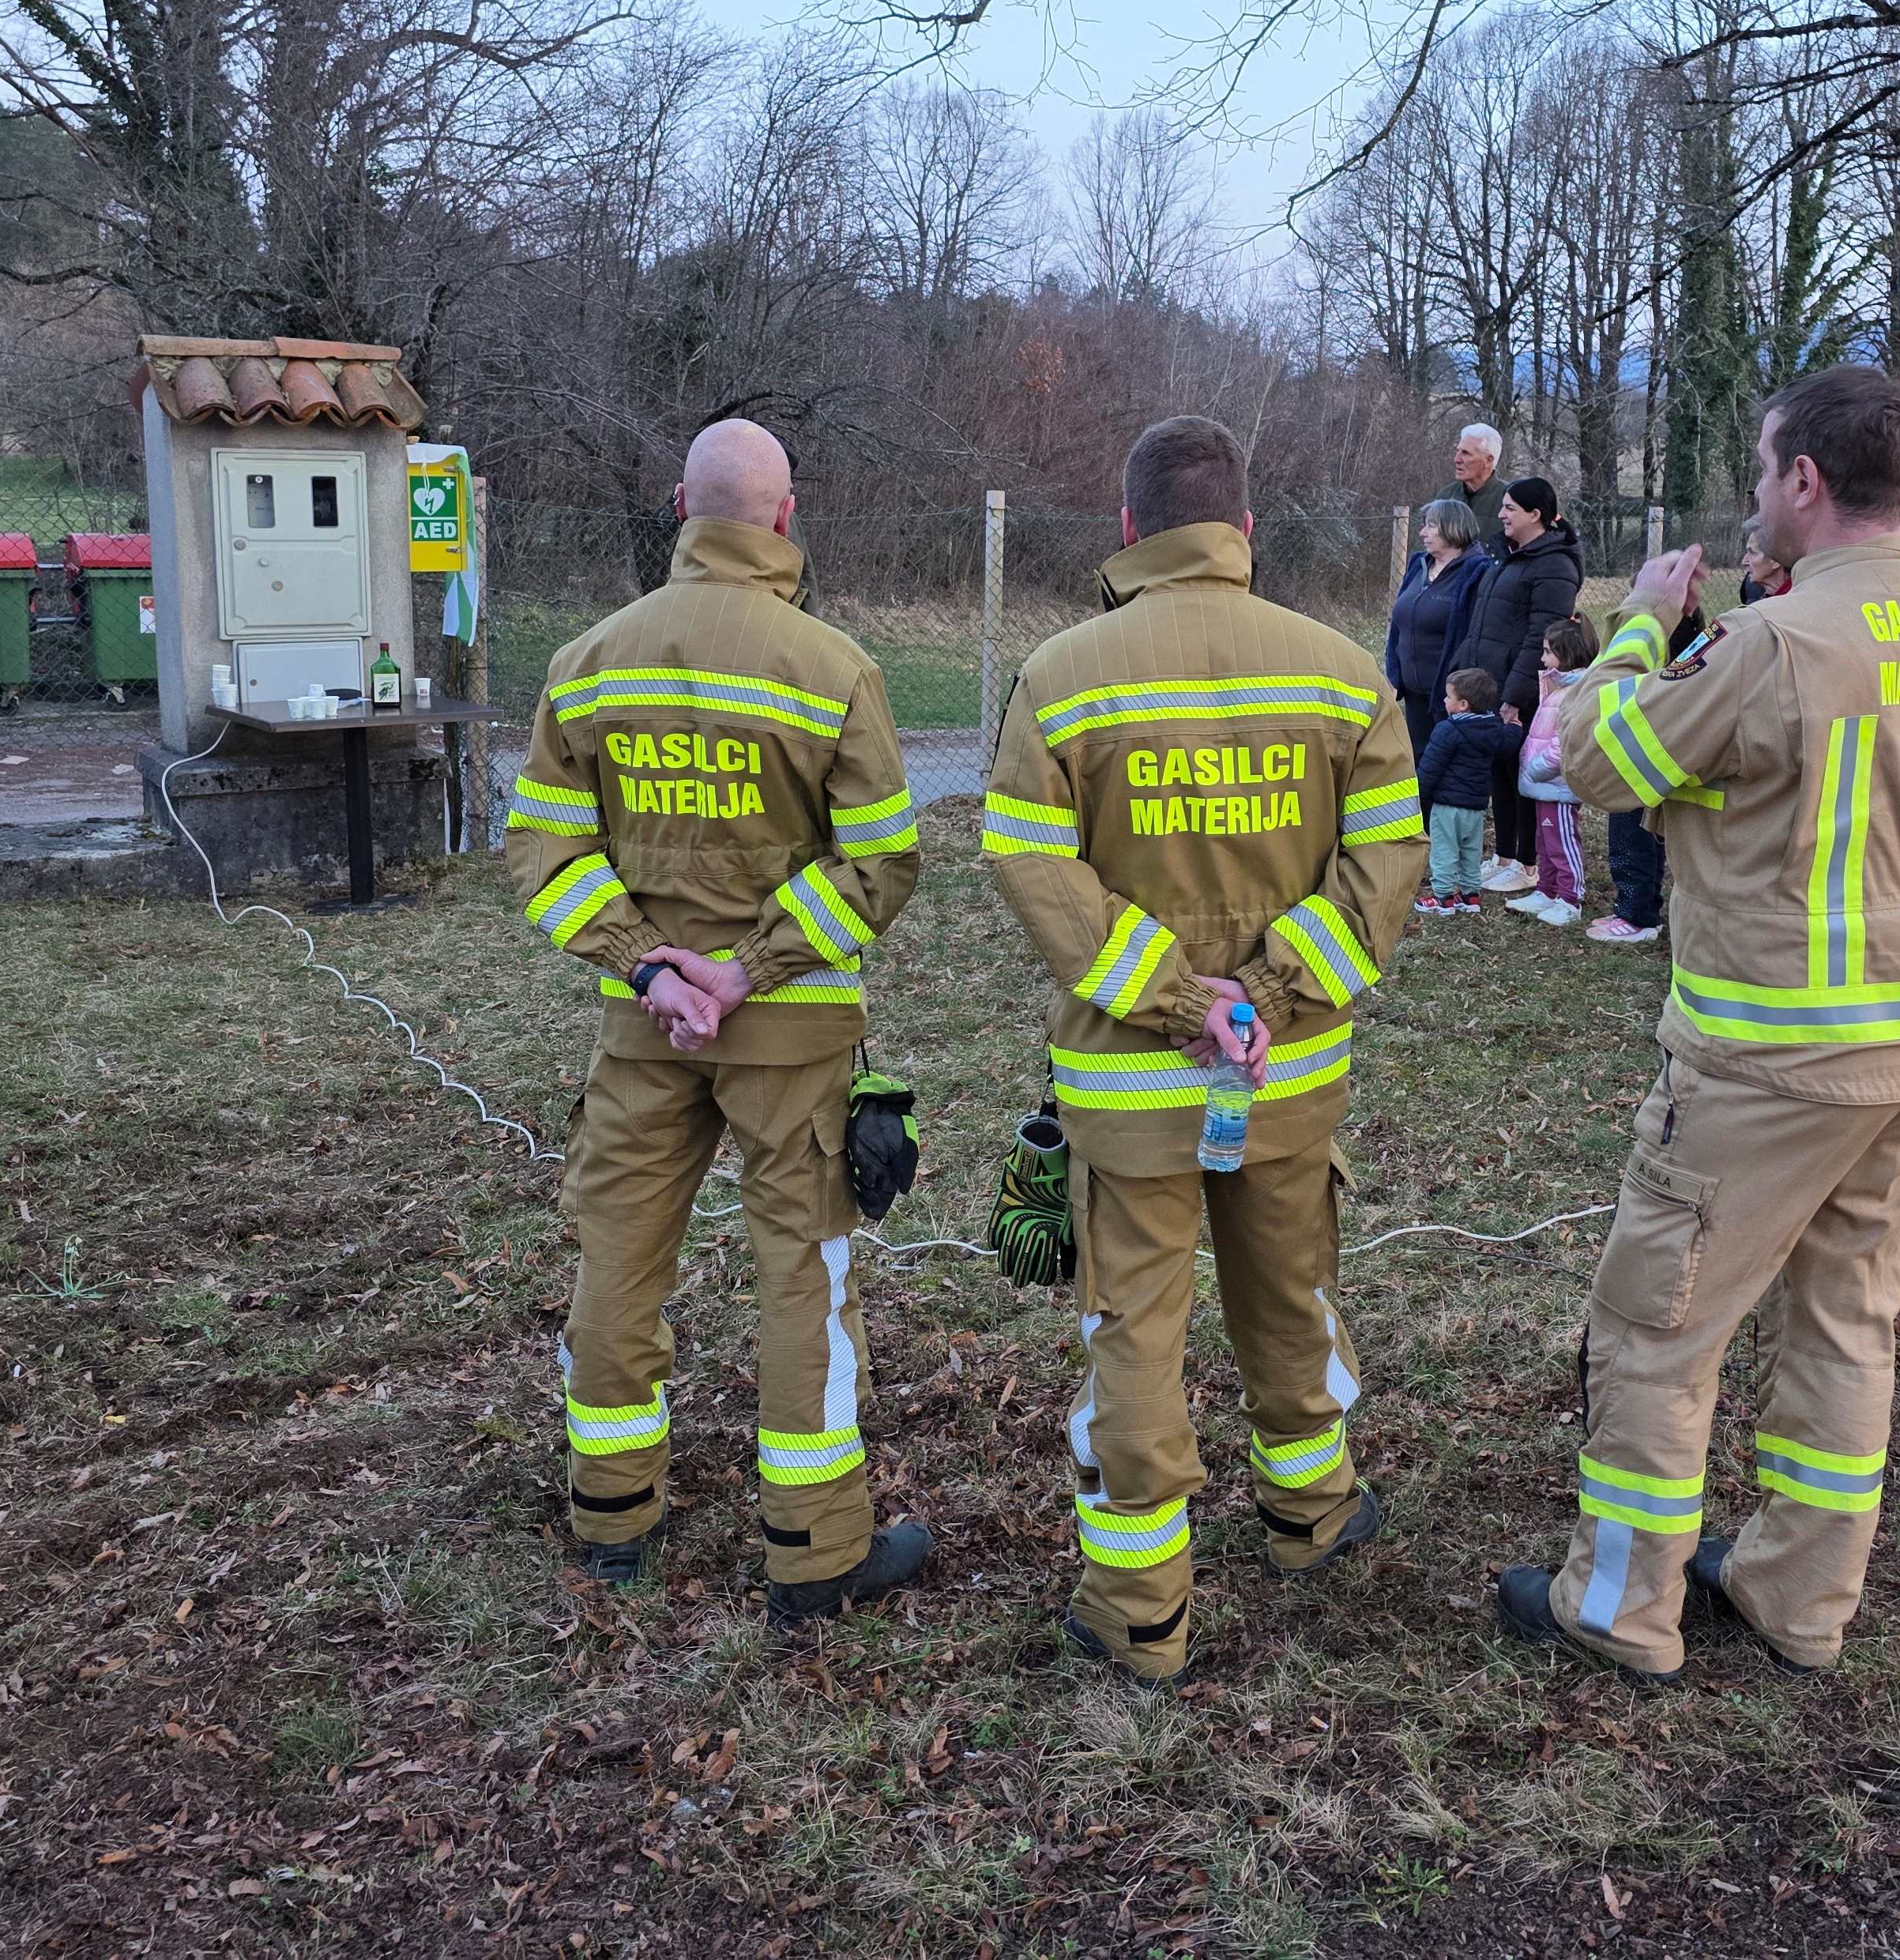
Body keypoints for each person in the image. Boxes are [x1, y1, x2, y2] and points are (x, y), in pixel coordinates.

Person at [1493, 365, 1900, 1684]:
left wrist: (1640, 624)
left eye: (1761, 470)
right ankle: (1800, 1601)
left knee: (1657, 1330)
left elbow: (1592, 759)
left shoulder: (1771, 645)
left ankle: (1618, 1611)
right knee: (1851, 1325)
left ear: (1804, 479)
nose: (1756, 492)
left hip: (1760, 1072)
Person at [980, 415, 1424, 1684]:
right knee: (1292, 1292)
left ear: (1129, 528)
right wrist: (1265, 997)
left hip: (1132, 1092)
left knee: (1136, 1332)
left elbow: (1029, 863)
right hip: (1286, 1079)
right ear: (1244, 529)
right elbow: (1387, 866)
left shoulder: (1060, 677)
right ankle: (1313, 1513)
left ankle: (1140, 1610)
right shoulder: (1344, 675)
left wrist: (1180, 1001)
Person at [508, 419, 931, 1620]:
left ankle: (611, 1519)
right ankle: (815, 1547)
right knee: (802, 1274)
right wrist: (748, 970)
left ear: (679, 507)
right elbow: (882, 861)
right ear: (785, 518)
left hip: (643, 1032)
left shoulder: (589, 661)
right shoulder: (835, 668)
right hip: (792, 1036)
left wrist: (651, 970)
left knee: (618, 1257)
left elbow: (544, 850)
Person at [1594, 521, 1775, 946]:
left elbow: (1608, 707)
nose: (1744, 559)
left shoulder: (1732, 622)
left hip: (1663, 732)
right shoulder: (1744, 606)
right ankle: (1636, 907)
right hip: (1670, 728)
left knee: (1634, 818)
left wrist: (1641, 616)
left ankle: (1638, 912)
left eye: (1753, 551)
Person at [1464, 477, 1584, 893]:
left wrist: (1515, 696)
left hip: (1524, 691)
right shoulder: (1507, 556)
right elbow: (1484, 622)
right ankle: (1505, 856)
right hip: (1490, 684)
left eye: (1510, 508)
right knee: (1500, 770)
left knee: (1523, 775)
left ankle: (1528, 863)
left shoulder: (1555, 566)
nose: (1501, 514)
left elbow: (1540, 639)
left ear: (1535, 515)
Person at [1383, 496, 1492, 773]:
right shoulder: (1418, 564)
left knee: (1448, 773)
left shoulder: (1477, 572)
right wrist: (1394, 675)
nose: (1423, 533)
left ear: (1453, 528)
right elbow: (1398, 624)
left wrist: (1458, 689)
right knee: (1419, 767)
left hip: (1452, 699)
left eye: (1431, 526)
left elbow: (1473, 635)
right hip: (1413, 694)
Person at [1509, 615, 1598, 927]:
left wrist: (1536, 768)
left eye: (1548, 651)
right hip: (1544, 784)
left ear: (1568, 653)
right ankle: (1547, 891)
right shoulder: (1558, 687)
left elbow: (1564, 746)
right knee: (1545, 843)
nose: (1543, 658)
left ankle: (1571, 899)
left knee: (1562, 843)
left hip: (1557, 785)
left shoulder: (1575, 692)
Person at [1417, 665, 1520, 912]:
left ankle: (1443, 896)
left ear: (1463, 704)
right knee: (1471, 851)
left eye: (1448, 696)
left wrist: (1417, 795)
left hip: (1447, 806)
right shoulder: (1493, 729)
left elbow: (1430, 768)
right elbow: (1507, 745)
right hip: (1475, 807)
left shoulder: (1447, 730)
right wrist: (1515, 728)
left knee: (1444, 851)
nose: (1444, 700)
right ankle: (1470, 895)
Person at [1450, 421, 1506, 527]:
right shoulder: (1446, 496)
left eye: (1466, 453)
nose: (1457, 459)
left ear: (1488, 460)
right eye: (1458, 451)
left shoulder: (1510, 501)